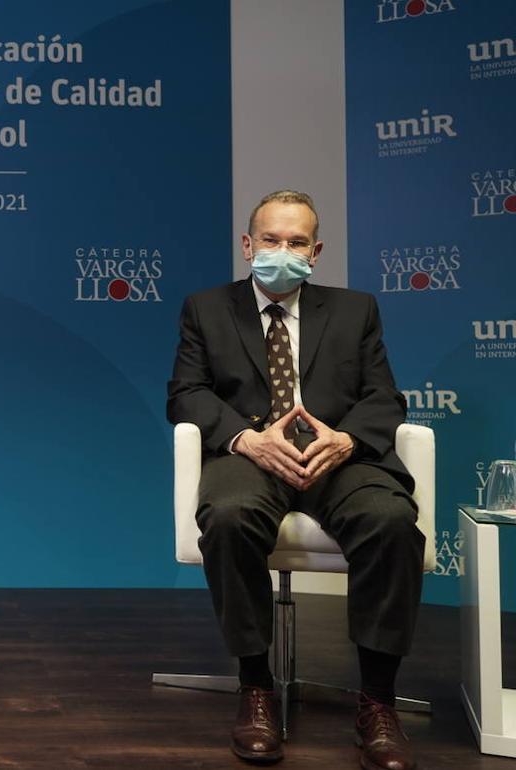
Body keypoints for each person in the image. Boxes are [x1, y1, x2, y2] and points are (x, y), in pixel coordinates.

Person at [167, 190, 423, 770]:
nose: (282, 251)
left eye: (297, 242)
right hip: (253, 455)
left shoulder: (356, 309)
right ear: (247, 244)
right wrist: (248, 439)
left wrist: (347, 439)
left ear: (317, 250)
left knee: (390, 522)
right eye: (271, 239)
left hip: (338, 457)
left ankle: (378, 702)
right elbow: (186, 393)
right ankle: (255, 689)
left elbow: (385, 396)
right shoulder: (206, 309)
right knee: (229, 517)